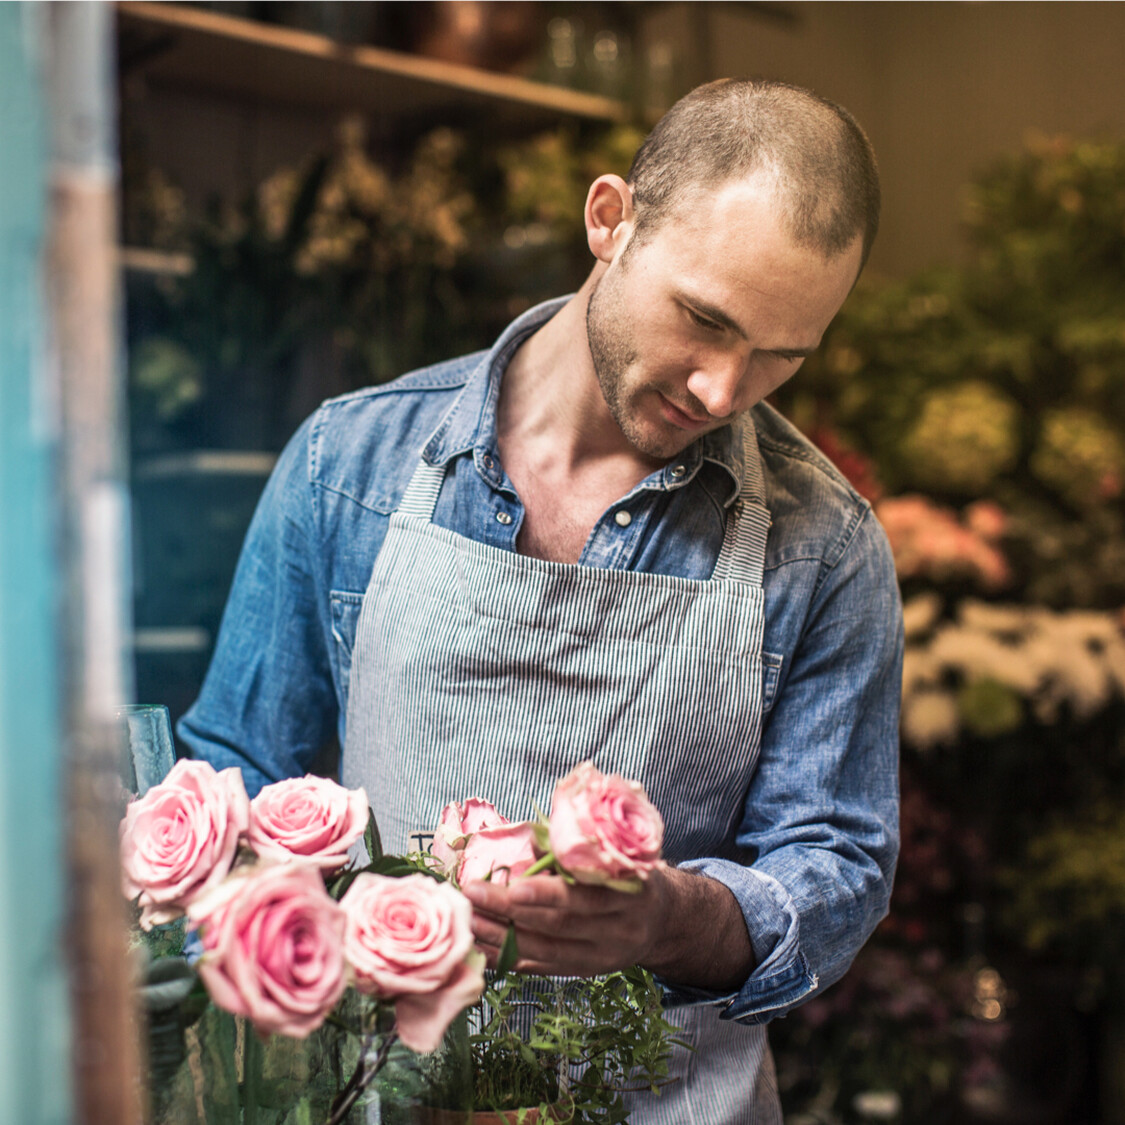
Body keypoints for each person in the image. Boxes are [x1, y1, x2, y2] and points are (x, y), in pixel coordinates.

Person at [180, 78, 902, 1123]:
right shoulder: (351, 465)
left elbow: (834, 866)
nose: (719, 389)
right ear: (610, 220)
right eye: (704, 319)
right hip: (373, 1098)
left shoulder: (823, 550)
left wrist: (669, 920)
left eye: (779, 357)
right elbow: (236, 779)